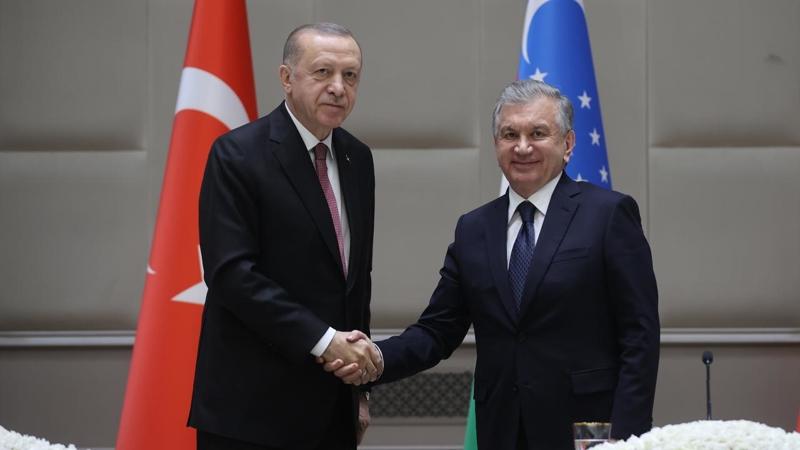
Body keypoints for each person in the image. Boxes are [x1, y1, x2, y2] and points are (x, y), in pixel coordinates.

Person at [325, 80, 660, 449]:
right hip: (501, 429)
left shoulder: (608, 215)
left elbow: (639, 336)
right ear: (497, 144)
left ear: (567, 144)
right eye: (509, 134)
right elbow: (437, 331)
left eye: (538, 133)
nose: (522, 146)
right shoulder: (474, 229)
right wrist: (374, 357)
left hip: (588, 430)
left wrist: (625, 437)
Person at [189, 23, 383, 450]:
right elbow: (232, 275)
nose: (338, 87)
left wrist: (359, 392)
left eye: (350, 75)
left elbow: (355, 282)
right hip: (251, 413)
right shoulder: (237, 154)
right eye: (323, 72)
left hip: (332, 407)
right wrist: (325, 341)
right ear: (286, 78)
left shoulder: (358, 158)